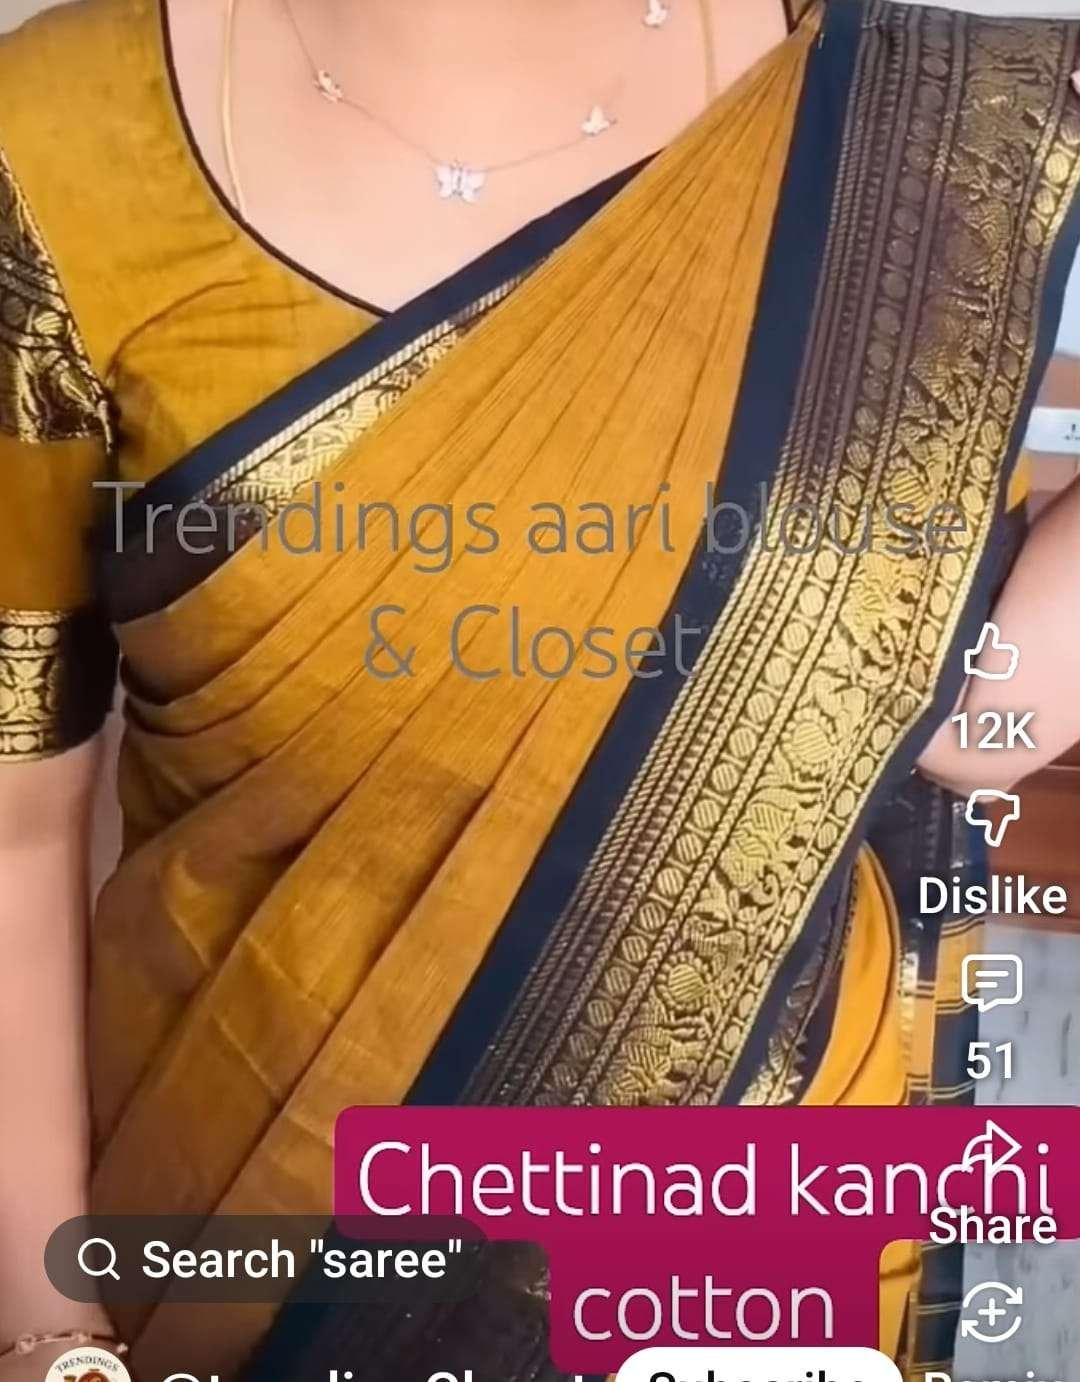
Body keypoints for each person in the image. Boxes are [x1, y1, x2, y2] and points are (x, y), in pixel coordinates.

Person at [2, 0, 1080, 1377]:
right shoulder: (60, 141)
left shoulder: (915, 122)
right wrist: (46, 1331)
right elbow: (17, 826)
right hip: (251, 1222)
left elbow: (964, 720)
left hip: (753, 1236)